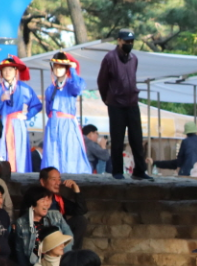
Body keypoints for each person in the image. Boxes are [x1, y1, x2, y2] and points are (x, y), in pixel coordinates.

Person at [97, 29, 152, 181]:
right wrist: (107, 99)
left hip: (132, 103)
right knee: (117, 139)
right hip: (116, 104)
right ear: (119, 41)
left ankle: (139, 171)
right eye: (126, 41)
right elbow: (102, 81)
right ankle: (117, 171)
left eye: (131, 41)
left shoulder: (133, 59)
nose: (129, 44)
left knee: (137, 138)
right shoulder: (109, 58)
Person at [0, 56, 42, 173]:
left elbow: (37, 105)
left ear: (16, 71)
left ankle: (21, 174)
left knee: (19, 151)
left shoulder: (24, 88)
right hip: (1, 124)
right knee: (2, 150)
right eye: (4, 70)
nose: (7, 72)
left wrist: (27, 116)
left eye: (10, 70)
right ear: (1, 72)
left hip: (18, 125)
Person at [39, 52, 92, 174]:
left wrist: (73, 70)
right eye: (55, 66)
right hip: (53, 124)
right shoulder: (50, 89)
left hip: (67, 125)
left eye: (61, 66)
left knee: (69, 152)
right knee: (52, 154)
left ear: (66, 68)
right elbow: (48, 110)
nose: (57, 69)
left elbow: (78, 88)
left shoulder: (71, 84)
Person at [16, 186, 73, 266]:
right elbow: (19, 249)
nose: (47, 204)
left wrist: (65, 259)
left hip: (57, 261)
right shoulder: (21, 222)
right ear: (32, 203)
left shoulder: (56, 216)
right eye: (43, 200)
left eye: (49, 199)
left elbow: (68, 235)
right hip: (34, 263)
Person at [40, 168, 89, 251]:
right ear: (43, 182)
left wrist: (76, 191)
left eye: (59, 179)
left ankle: (72, 256)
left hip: (61, 231)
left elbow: (80, 211)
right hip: (42, 233)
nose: (58, 183)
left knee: (80, 220)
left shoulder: (58, 199)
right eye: (54, 179)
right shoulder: (34, 198)